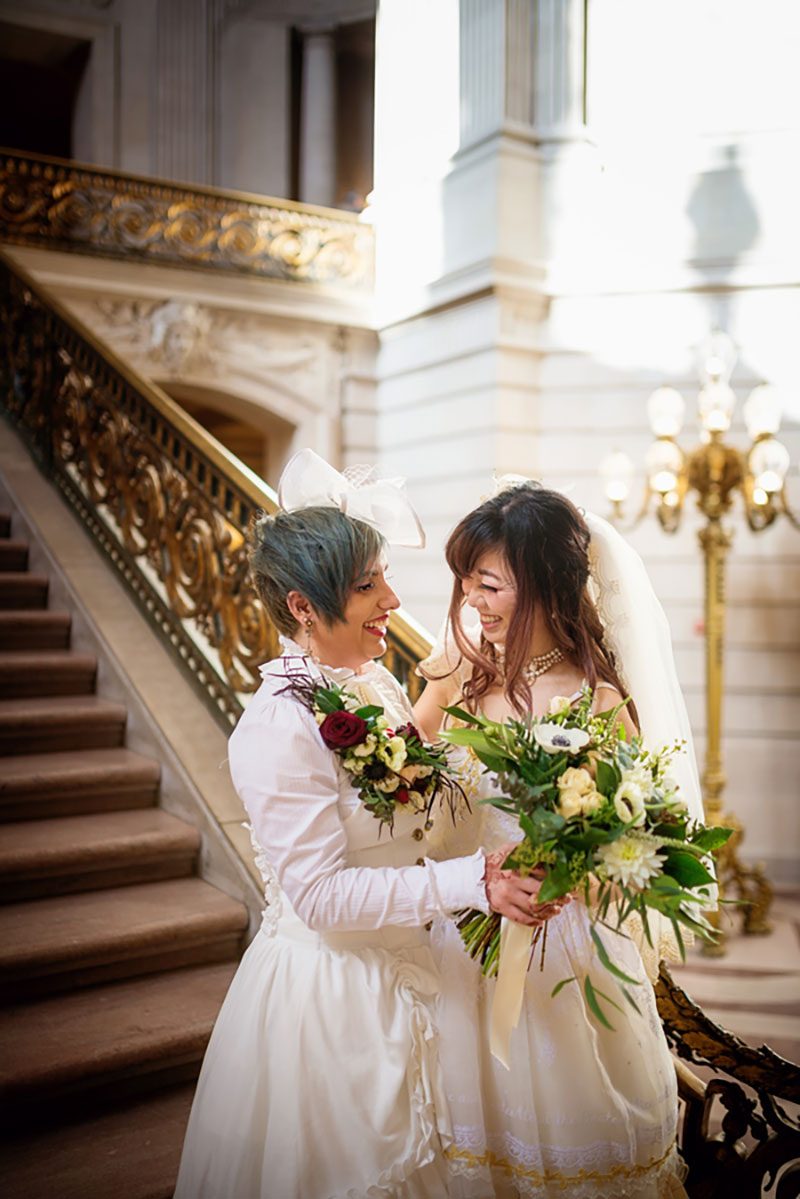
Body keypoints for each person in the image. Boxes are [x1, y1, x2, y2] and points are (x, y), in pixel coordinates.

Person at [174, 451, 542, 1199]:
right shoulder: (276, 729)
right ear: (303, 606)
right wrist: (471, 881)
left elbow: (408, 802)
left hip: (416, 970)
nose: (391, 598)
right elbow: (321, 897)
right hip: (331, 1005)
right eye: (367, 584)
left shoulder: (370, 683)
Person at [414, 481, 696, 1199]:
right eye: (466, 582)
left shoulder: (598, 699)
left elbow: (635, 831)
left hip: (568, 947)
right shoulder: (455, 671)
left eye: (489, 583)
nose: (472, 600)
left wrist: (573, 865)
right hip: (468, 932)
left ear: (543, 585)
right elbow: (405, 780)